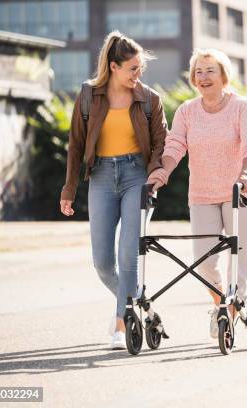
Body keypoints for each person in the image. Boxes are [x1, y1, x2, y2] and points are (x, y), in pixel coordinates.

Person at [59, 31, 168, 350]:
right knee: (103, 262)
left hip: (137, 176)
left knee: (128, 254)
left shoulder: (150, 99)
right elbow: (76, 143)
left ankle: (122, 322)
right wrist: (69, 188)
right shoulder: (88, 96)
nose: (139, 74)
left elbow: (162, 140)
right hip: (102, 177)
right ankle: (136, 303)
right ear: (114, 66)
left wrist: (154, 173)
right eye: (133, 68)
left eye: (140, 68)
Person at [146, 48, 247, 339]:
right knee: (203, 260)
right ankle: (222, 304)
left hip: (239, 192)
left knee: (239, 254)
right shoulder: (187, 111)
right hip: (202, 194)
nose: (204, 76)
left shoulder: (241, 107)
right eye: (198, 71)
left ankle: (232, 307)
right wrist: (164, 172)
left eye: (210, 70)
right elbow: (174, 147)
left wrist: (246, 172)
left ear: (224, 76)